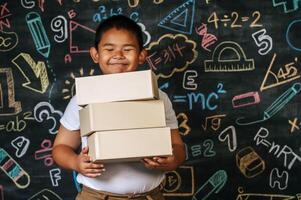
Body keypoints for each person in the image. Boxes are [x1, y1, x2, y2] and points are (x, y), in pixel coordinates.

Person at [52, 15, 186, 200]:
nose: (118, 55)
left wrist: (172, 161)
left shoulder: (159, 97)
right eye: (109, 49)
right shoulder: (82, 99)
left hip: (150, 196)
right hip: (97, 196)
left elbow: (178, 147)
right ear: (95, 54)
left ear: (141, 55)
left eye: (128, 49)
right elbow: (61, 147)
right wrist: (75, 162)